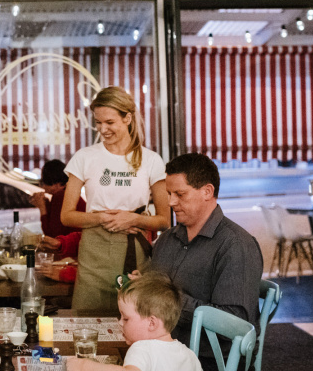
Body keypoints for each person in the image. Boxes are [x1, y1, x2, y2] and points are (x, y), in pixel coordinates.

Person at [140, 153, 263, 370]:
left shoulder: (236, 245)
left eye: (180, 194)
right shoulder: (167, 239)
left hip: (211, 361)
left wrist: (166, 301)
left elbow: (235, 324)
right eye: (169, 194)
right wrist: (142, 285)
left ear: (207, 191)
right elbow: (153, 288)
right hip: (163, 350)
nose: (170, 202)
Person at [60, 86, 169, 313]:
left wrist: (133, 219)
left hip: (134, 255)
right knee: (87, 321)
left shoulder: (151, 160)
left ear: (127, 118)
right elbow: (66, 216)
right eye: (98, 123)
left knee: (133, 320)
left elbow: (164, 220)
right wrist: (101, 218)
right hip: (93, 255)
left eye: (109, 122)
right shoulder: (84, 157)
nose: (103, 129)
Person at [66, 273, 202, 371]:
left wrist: (83, 366)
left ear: (152, 323)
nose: (120, 323)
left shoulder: (142, 348)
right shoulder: (189, 355)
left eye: (126, 318)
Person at [29, 159, 85, 237]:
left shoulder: (60, 196)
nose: (42, 186)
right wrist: (46, 204)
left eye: (43, 181)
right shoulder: (66, 193)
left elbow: (53, 235)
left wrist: (42, 208)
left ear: (55, 183)